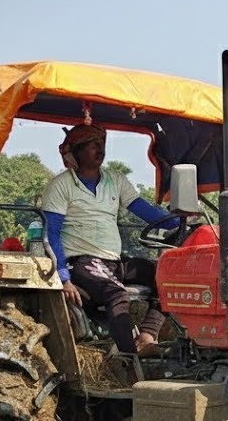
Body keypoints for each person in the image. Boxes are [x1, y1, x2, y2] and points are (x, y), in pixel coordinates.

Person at [42, 123, 175, 354]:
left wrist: (179, 223)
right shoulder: (61, 186)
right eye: (92, 145)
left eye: (101, 143)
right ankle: (129, 360)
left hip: (113, 261)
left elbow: (145, 211)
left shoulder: (115, 180)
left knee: (169, 277)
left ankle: (147, 335)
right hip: (83, 262)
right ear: (75, 153)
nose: (99, 149)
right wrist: (63, 278)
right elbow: (51, 234)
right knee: (117, 295)